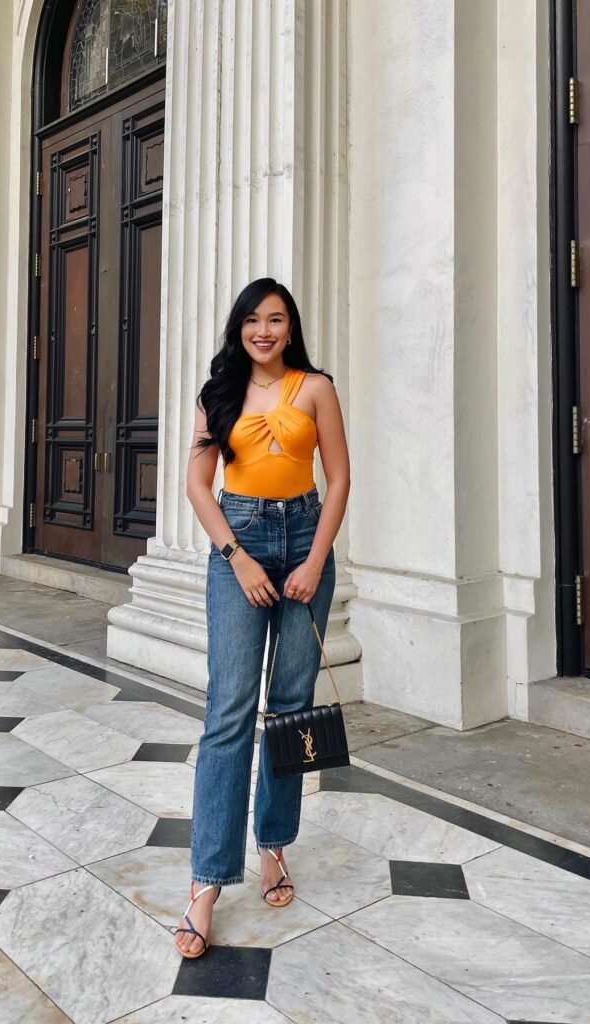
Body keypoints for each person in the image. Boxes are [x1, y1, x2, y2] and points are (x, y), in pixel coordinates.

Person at [174, 278, 350, 958]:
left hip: (305, 541)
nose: (264, 330)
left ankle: (272, 847)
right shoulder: (217, 393)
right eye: (252, 319)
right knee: (228, 712)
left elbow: (338, 477)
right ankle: (206, 882)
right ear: (238, 328)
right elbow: (197, 483)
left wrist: (314, 559)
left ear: (290, 326)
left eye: (275, 319)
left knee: (289, 708)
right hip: (238, 543)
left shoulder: (315, 387)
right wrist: (237, 558)